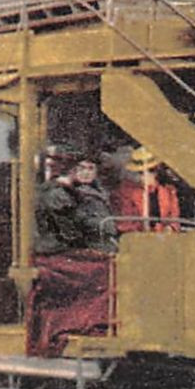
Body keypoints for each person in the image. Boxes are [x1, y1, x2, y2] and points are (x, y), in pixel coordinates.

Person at [27, 145, 118, 357]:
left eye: (90, 168)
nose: (85, 172)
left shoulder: (82, 192)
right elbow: (70, 233)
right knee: (103, 270)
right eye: (81, 168)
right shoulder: (57, 194)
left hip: (69, 246)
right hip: (55, 250)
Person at [112, 146, 181, 233]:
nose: (146, 175)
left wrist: (170, 228)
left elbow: (174, 219)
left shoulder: (169, 191)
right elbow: (125, 224)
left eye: (151, 170)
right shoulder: (125, 193)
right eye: (141, 172)